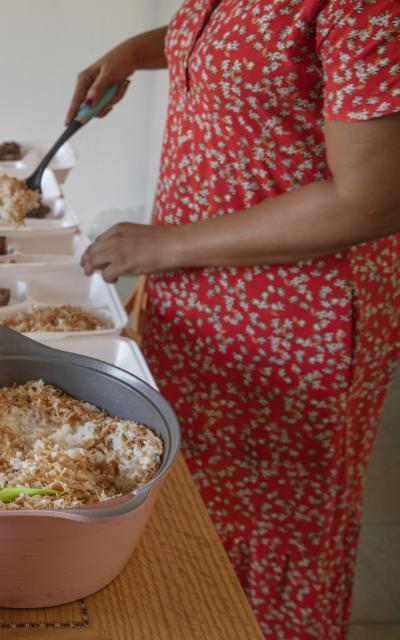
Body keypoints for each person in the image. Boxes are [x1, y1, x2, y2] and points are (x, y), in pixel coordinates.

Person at [68, 2, 400, 639]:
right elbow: (241, 39)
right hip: (200, 291)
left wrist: (165, 245)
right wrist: (138, 50)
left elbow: (374, 199)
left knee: (277, 528)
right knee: (197, 504)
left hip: (296, 318)